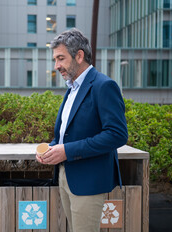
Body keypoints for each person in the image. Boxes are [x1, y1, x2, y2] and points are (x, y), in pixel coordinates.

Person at [36, 28, 128, 232]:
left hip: (89, 181)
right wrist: (52, 149)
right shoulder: (72, 88)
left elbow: (117, 134)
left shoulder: (104, 86)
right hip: (66, 175)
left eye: (61, 58)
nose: (56, 65)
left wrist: (67, 151)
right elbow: (67, 133)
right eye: (55, 59)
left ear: (79, 55)